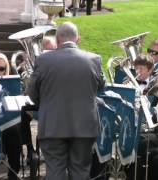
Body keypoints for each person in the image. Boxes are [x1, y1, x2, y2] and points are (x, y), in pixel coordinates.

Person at [27, 21, 105, 180]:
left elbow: (32, 93)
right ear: (78, 39)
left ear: (57, 39)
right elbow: (100, 88)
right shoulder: (94, 59)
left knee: (55, 171)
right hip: (84, 126)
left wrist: (46, 102)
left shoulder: (43, 60)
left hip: (52, 125)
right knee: (80, 172)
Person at [0, 51, 21, 180]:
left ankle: (13, 172)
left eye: (1, 69)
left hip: (6, 122)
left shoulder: (12, 82)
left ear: (6, 69)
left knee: (14, 131)